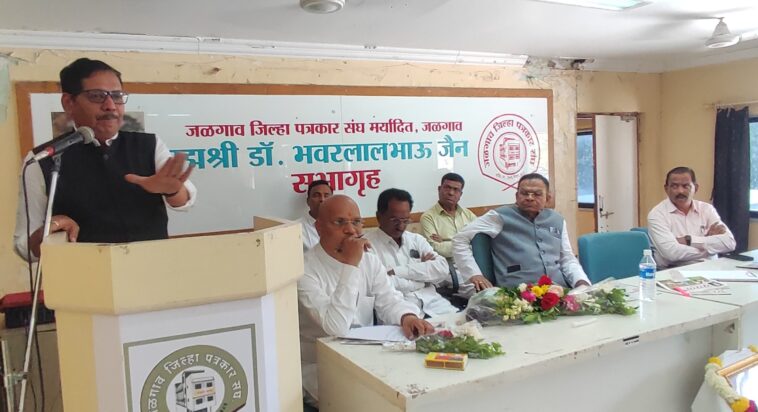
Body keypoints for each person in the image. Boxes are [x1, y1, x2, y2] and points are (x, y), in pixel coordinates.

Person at [13, 58, 196, 260]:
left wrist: (172, 190)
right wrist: (50, 228)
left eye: (117, 96)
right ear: (69, 102)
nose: (110, 106)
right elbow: (25, 246)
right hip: (85, 273)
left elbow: (185, 201)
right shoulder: (43, 158)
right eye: (97, 96)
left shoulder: (149, 145)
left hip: (151, 268)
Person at [297, 195, 434, 406]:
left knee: (417, 391)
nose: (351, 230)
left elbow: (389, 300)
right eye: (339, 222)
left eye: (356, 222)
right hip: (320, 367)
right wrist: (351, 265)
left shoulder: (369, 259)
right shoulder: (304, 270)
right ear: (319, 227)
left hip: (367, 356)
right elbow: (336, 327)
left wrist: (407, 316)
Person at [452, 173, 590, 290]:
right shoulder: (499, 216)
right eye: (524, 193)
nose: (530, 198)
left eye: (537, 194)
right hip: (518, 294)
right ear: (517, 196)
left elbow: (567, 258)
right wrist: (474, 274)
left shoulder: (557, 220)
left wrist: (581, 282)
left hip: (558, 291)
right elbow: (460, 239)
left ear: (547, 198)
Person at [365, 189, 458, 318]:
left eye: (405, 220)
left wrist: (397, 271)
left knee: (466, 326)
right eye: (395, 220)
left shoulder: (416, 239)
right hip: (402, 312)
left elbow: (441, 268)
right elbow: (380, 284)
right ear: (379, 217)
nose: (401, 226)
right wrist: (422, 280)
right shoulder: (368, 246)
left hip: (436, 304)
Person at [647, 166, 736, 267]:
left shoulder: (707, 209)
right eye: (674, 186)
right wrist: (711, 248)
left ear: (696, 188)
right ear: (666, 189)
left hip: (711, 268)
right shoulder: (657, 214)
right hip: (674, 270)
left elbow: (730, 243)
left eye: (686, 186)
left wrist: (689, 240)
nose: (680, 191)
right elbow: (672, 253)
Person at [420, 172, 478, 297]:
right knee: (480, 292)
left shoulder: (468, 215)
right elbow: (436, 248)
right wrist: (467, 243)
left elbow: (480, 243)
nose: (451, 193)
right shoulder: (428, 217)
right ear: (439, 189)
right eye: (447, 187)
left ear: (460, 194)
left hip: (474, 264)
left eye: (456, 190)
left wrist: (446, 242)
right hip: (449, 269)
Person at [299, 179, 333, 252]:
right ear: (308, 201)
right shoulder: (296, 228)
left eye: (326, 196)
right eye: (317, 195)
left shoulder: (340, 225)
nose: (322, 199)